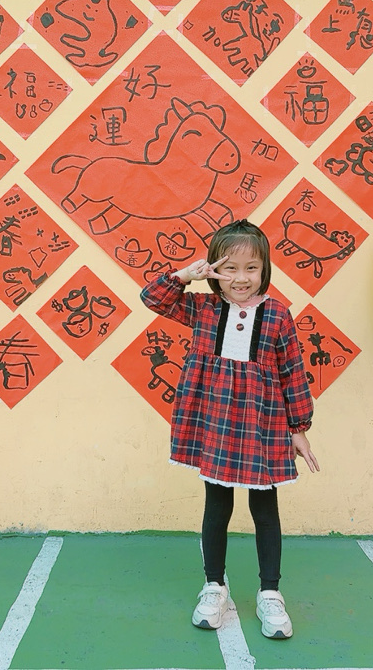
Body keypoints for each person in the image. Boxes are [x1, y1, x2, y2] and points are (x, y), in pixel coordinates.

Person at [140, 219, 319, 640]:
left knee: (265, 509)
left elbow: (293, 372)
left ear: (264, 269)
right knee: (217, 505)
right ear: (215, 269)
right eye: (230, 268)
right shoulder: (203, 308)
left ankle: (270, 592)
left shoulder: (277, 315)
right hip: (216, 420)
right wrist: (187, 274)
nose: (241, 278)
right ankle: (214, 586)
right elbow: (152, 298)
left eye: (251, 268)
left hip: (262, 423)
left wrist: (298, 427)